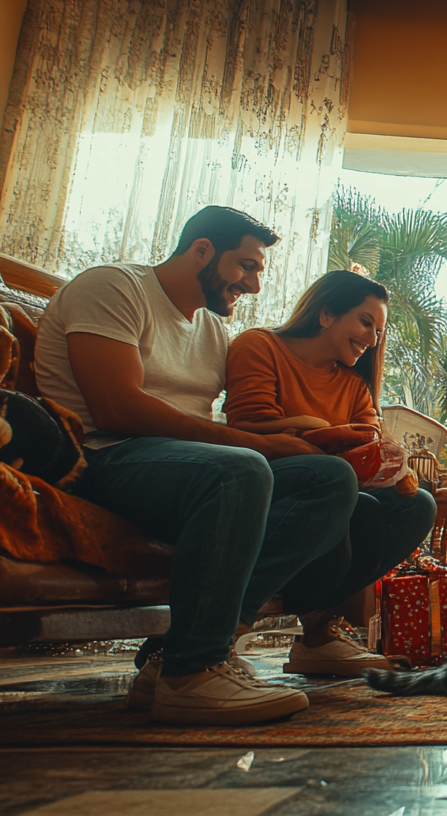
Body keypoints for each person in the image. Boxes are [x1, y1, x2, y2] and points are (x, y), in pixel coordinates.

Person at [36, 205, 361, 725]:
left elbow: (204, 428)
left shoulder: (210, 331)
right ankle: (193, 671)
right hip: (98, 458)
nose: (253, 284)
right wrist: (257, 449)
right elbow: (115, 407)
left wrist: (290, 435)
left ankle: (176, 654)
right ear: (202, 250)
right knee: (239, 469)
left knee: (328, 479)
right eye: (246, 266)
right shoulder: (114, 288)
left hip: (175, 468)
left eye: (258, 270)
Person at [223, 269, 436, 677]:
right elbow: (245, 427)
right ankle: (224, 630)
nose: (373, 339)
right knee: (340, 487)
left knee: (415, 506)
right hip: (268, 480)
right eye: (365, 322)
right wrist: (315, 430)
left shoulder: (354, 386)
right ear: (325, 315)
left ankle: (318, 634)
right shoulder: (260, 346)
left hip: (338, 487)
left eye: (378, 330)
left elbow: (368, 444)